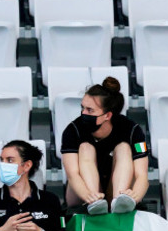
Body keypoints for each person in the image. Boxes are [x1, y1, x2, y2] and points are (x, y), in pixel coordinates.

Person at [61, 76, 149, 215]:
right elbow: (73, 175)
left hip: (117, 189)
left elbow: (142, 176)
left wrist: (134, 196)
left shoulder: (133, 130)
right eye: (82, 108)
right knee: (85, 148)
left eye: (90, 110)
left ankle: (119, 202)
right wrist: (89, 196)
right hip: (83, 194)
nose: (83, 113)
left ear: (107, 115)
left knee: (124, 148)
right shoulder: (73, 130)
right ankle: (95, 204)